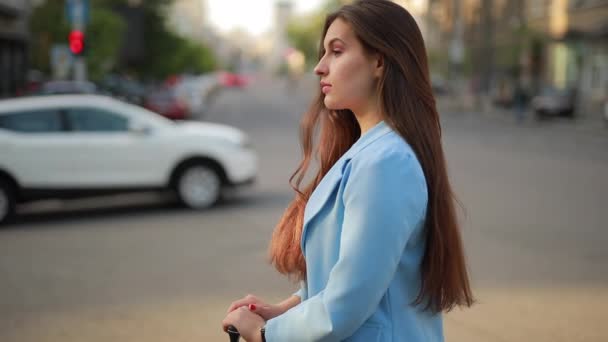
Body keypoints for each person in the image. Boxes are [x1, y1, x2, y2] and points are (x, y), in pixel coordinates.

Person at [221, 1, 474, 341]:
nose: (319, 67)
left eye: (336, 52)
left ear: (379, 62)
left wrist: (268, 334)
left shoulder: (386, 162)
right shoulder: (369, 151)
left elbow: (348, 303)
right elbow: (345, 279)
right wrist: (283, 310)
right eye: (323, 53)